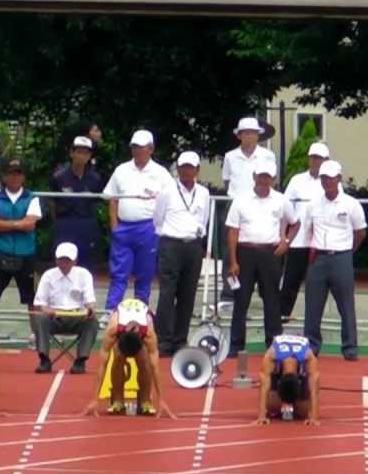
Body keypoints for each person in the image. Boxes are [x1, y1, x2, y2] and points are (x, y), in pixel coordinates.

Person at [225, 159, 297, 357]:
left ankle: (273, 343)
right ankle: (236, 344)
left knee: (272, 300)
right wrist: (233, 261)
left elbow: (295, 223)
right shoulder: (240, 199)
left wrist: (287, 242)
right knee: (241, 300)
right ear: (254, 177)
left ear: (272, 179)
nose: (264, 180)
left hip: (270, 254)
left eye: (267, 177)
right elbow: (232, 231)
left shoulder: (281, 200)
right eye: (261, 176)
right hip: (245, 252)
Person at [303, 161, 367, 360]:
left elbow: (360, 233)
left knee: (346, 305)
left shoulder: (351, 204)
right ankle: (312, 346)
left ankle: (350, 348)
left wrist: (347, 251)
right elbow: (308, 230)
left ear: (339, 178)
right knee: (312, 305)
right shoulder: (313, 204)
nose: (327, 181)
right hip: (319, 258)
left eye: (331, 177)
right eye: (324, 178)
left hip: (341, 257)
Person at [102, 130, 172, 311]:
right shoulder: (121, 170)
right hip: (123, 228)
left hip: (148, 228)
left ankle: (141, 310)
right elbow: (112, 198)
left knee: (145, 273)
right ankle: (111, 311)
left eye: (141, 147)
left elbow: (170, 201)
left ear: (151, 149)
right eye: (134, 147)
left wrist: (159, 226)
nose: (137, 151)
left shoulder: (161, 173)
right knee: (119, 272)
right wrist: (114, 226)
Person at [153, 151, 211, 357]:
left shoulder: (203, 193)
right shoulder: (167, 191)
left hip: (193, 245)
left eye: (191, 167)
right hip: (171, 243)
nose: (187, 171)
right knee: (167, 293)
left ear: (197, 170)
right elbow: (158, 218)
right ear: (178, 169)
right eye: (183, 167)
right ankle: (164, 340)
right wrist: (170, 235)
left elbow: (203, 220)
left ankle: (180, 339)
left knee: (188, 293)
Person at [82, 298, 174, 418]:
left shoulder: (148, 333)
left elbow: (155, 367)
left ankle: (145, 400)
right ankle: (118, 401)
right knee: (118, 358)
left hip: (140, 322)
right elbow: (102, 365)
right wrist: (94, 399)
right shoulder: (113, 329)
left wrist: (161, 400)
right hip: (123, 322)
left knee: (145, 361)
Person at [0, 158, 41, 330]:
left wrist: (6, 224)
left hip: (26, 253)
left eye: (18, 173)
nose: (14, 177)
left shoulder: (32, 198)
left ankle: (36, 335)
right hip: (0, 252)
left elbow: (30, 223)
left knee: (33, 299)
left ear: (23, 176)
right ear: (4, 176)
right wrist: (18, 224)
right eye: (11, 173)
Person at [280, 141, 333, 321]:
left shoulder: (333, 182)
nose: (316, 161)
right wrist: (284, 236)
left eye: (320, 158)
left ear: (327, 160)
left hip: (321, 242)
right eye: (313, 157)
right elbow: (285, 208)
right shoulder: (297, 180)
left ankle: (314, 318)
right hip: (298, 240)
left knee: (317, 283)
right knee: (291, 280)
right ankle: (283, 314)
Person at [30, 243, 98, 374]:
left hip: (77, 316)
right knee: (40, 319)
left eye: (68, 260)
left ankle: (81, 360)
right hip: (54, 317)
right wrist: (47, 310)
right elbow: (40, 303)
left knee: (92, 322)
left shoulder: (84, 274)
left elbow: (90, 301)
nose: (64, 263)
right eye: (61, 259)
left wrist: (90, 310)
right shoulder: (48, 275)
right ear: (56, 260)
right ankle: (44, 359)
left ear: (75, 261)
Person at [51, 135, 104, 271]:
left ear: (90, 155)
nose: (82, 156)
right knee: (64, 264)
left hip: (87, 224)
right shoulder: (59, 177)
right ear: (71, 153)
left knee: (87, 264)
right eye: (79, 152)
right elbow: (53, 203)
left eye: (85, 152)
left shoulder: (95, 179)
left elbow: (98, 202)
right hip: (65, 223)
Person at [255, 334, 321, 426]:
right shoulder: (271, 355)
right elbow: (263, 385)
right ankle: (282, 402)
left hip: (298, 366)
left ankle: (293, 403)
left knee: (303, 411)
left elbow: (315, 389)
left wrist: (313, 417)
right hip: (279, 367)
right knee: (271, 406)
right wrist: (261, 416)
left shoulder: (308, 357)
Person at [222, 117, 276, 200]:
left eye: (253, 133)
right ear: (239, 136)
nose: (250, 136)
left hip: (260, 202)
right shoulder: (230, 156)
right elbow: (226, 181)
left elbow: (272, 180)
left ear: (258, 135)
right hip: (235, 202)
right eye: (247, 133)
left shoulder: (268, 155)